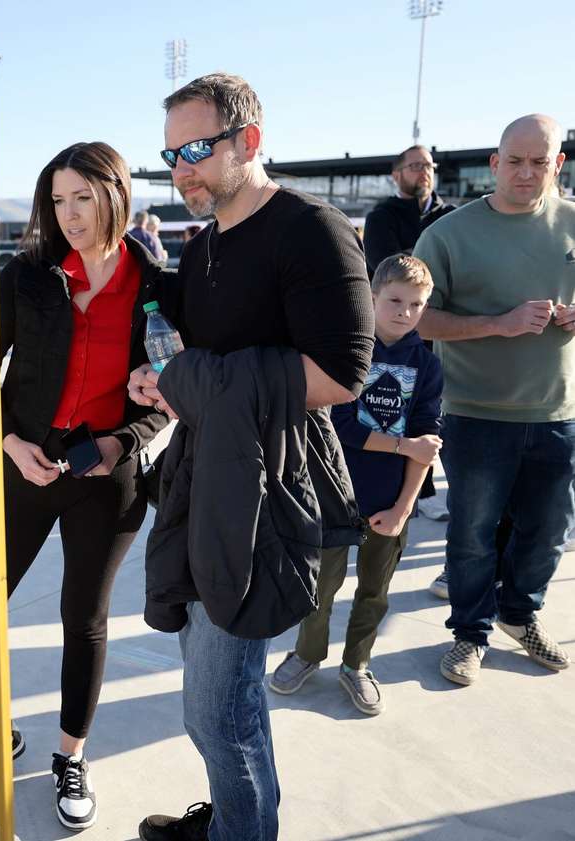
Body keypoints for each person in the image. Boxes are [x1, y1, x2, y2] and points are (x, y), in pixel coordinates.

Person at [129, 73, 374, 841]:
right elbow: (201, 359)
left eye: (197, 149)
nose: (182, 170)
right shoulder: (205, 243)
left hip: (267, 490)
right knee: (215, 699)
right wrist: (162, 380)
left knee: (218, 708)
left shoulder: (311, 229)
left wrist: (192, 378)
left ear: (249, 141)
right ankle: (237, 821)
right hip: (206, 478)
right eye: (171, 155)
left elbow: (342, 372)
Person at [0, 142, 171, 831]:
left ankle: (70, 756)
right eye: (59, 200)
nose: (69, 214)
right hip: (21, 463)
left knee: (82, 619)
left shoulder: (157, 286)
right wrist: (10, 443)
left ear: (116, 195)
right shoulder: (28, 274)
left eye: (83, 198)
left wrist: (121, 443)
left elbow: (169, 393)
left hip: (107, 477)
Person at [413, 113, 574, 685]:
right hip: (475, 411)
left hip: (558, 411)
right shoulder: (448, 234)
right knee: (473, 535)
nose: (526, 173)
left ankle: (519, 614)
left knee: (548, 532)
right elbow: (416, 319)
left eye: (539, 162)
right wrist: (498, 324)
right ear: (494, 164)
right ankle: (470, 633)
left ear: (558, 164)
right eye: (515, 161)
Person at [269, 254, 443, 715]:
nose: (405, 312)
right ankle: (307, 653)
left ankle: (357, 664)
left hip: (389, 503)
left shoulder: (427, 366)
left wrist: (404, 508)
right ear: (371, 296)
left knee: (374, 592)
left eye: (416, 304)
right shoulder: (349, 352)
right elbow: (343, 426)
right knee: (318, 589)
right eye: (395, 301)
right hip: (333, 498)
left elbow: (426, 446)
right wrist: (405, 445)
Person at [363, 144, 456, 532]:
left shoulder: (450, 215)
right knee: (386, 410)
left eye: (429, 165)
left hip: (436, 334)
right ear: (396, 174)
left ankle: (425, 488)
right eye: (415, 165)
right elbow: (389, 270)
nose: (424, 171)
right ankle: (413, 492)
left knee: (427, 413)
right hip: (393, 333)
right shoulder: (382, 217)